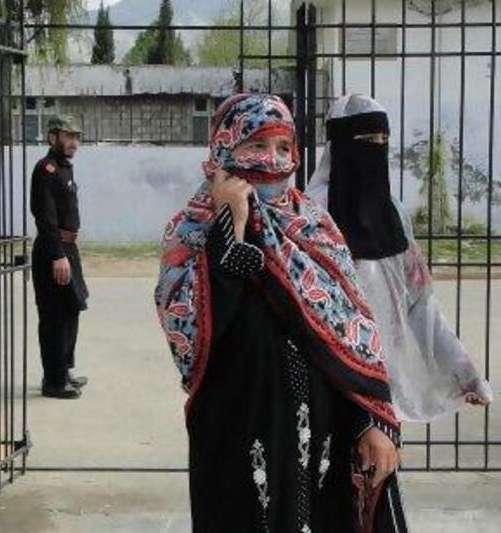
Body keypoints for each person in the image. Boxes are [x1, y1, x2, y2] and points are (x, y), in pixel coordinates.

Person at [155, 94, 407, 532]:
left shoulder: (316, 226)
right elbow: (192, 340)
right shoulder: (191, 230)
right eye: (256, 145)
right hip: (240, 436)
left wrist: (374, 419)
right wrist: (230, 222)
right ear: (224, 150)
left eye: (284, 148)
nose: (272, 160)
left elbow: (356, 334)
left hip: (327, 441)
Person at [307, 94, 493, 422]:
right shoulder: (312, 215)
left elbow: (421, 304)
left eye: (382, 140)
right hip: (327, 377)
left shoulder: (393, 213)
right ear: (339, 144)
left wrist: (464, 372)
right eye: (366, 140)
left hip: (384, 384)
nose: (375, 148)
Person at [30, 115, 89, 399]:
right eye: (69, 136)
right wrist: (57, 255)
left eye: (77, 137)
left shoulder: (64, 169)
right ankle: (52, 381)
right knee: (54, 316)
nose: (74, 142)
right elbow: (45, 216)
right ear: (52, 137)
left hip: (68, 249)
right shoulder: (46, 169)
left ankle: (63, 370)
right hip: (54, 251)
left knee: (70, 310)